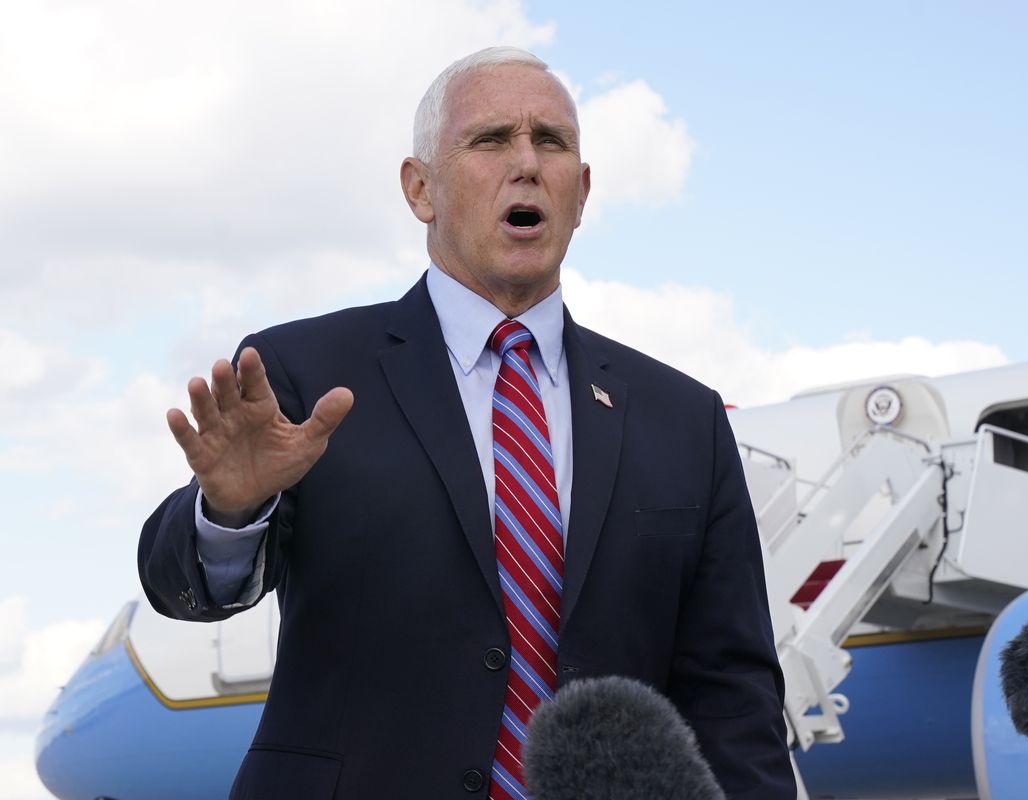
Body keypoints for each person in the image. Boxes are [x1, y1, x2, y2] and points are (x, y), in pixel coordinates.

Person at [138, 46, 796, 799]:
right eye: (491, 140)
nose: (527, 164)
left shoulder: (685, 418)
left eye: (550, 142)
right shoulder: (302, 372)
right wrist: (231, 509)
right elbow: (178, 585)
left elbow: (732, 691)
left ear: (580, 194)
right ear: (421, 190)